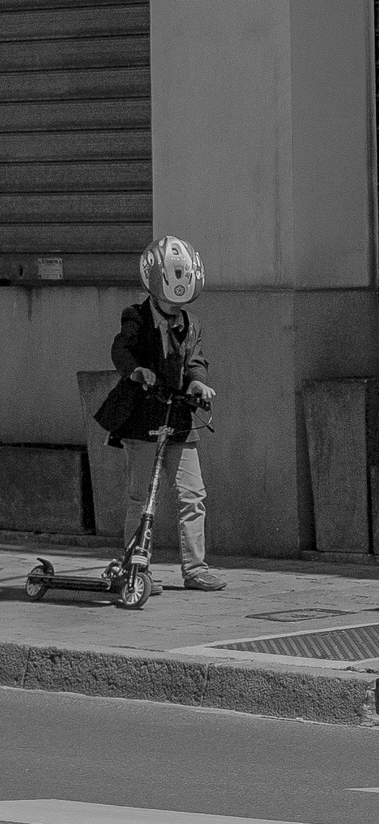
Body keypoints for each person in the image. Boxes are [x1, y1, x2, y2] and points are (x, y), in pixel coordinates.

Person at [103, 235, 225, 592]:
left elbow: (195, 363)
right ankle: (136, 568)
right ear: (155, 289)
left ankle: (196, 568)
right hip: (142, 418)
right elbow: (121, 350)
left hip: (179, 419)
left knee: (192, 494)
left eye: (180, 300)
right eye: (169, 299)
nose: (175, 307)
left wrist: (198, 385)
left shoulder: (191, 324)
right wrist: (136, 371)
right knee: (142, 497)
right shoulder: (135, 317)